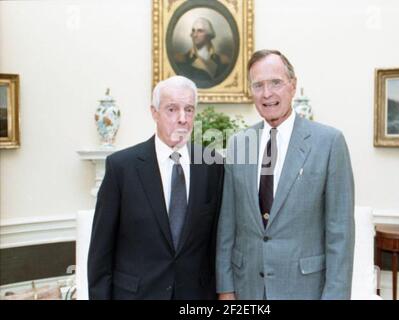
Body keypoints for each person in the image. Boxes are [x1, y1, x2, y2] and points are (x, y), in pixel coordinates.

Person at [216, 50, 355, 300]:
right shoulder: (238, 144)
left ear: (292, 85)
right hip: (247, 289)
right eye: (258, 85)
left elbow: (340, 233)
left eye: (275, 83)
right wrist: (225, 289)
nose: (267, 93)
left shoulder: (329, 142)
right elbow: (227, 225)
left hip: (304, 290)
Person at [88, 76, 224, 299]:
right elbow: (100, 254)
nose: (182, 119)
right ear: (154, 113)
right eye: (172, 109)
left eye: (189, 110)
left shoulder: (212, 165)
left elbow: (217, 242)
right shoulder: (122, 167)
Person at [174, 17, 230, 88]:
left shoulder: (222, 61)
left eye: (200, 31)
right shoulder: (182, 60)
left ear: (209, 35)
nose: (195, 35)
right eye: (193, 31)